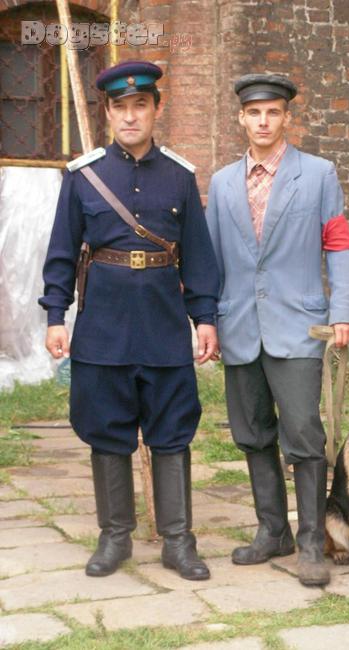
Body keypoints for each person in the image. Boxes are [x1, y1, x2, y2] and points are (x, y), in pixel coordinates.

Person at [39, 60, 220, 581]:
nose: (131, 116)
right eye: (121, 107)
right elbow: (61, 252)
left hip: (164, 327)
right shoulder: (84, 177)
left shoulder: (180, 177)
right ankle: (114, 537)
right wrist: (56, 316)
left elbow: (198, 256)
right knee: (107, 430)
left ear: (156, 109)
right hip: (103, 328)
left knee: (173, 432)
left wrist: (204, 317)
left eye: (141, 105)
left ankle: (178, 542)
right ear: (108, 113)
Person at [205, 73, 349, 587]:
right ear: (241, 118)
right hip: (239, 326)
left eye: (273, 112)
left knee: (303, 436)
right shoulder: (222, 183)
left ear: (287, 118)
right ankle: (273, 531)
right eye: (254, 113)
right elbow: (210, 259)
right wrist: (207, 319)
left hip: (298, 327)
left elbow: (339, 243)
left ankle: (312, 542)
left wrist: (344, 310)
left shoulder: (317, 174)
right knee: (252, 434)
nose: (263, 121)